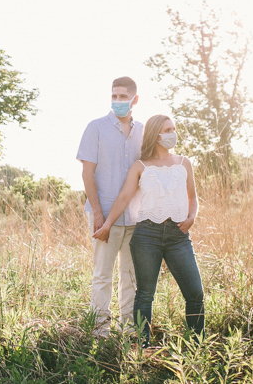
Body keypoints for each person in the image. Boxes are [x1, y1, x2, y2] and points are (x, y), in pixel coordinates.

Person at [92, 114, 204, 347]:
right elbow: (124, 197)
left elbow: (193, 196)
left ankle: (195, 346)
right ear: (155, 134)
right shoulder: (141, 166)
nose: (172, 134)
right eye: (167, 130)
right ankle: (142, 347)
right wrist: (107, 225)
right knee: (144, 294)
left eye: (173, 129)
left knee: (195, 293)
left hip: (179, 236)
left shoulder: (184, 163)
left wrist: (192, 217)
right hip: (146, 236)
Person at [76, 76, 144, 337]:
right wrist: (98, 213)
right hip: (103, 214)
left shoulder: (142, 131)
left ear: (134, 100)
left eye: (123, 97)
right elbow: (87, 173)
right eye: (114, 96)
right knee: (102, 274)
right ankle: (99, 329)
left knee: (130, 275)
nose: (118, 101)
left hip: (135, 216)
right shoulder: (96, 128)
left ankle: (128, 328)